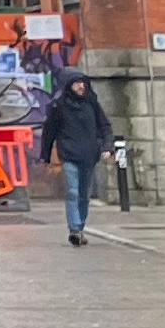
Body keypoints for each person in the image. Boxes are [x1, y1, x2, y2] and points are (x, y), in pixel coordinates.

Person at [36, 65, 114, 244]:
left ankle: (80, 227)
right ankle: (75, 229)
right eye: (77, 83)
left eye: (83, 83)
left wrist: (107, 147)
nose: (81, 86)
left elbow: (105, 127)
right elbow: (49, 132)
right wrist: (45, 156)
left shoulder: (92, 103)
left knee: (84, 195)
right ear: (68, 85)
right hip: (69, 154)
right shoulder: (58, 106)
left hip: (90, 155)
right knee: (72, 191)